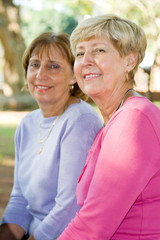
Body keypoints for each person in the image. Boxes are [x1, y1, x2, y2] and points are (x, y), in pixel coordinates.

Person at [58, 14, 160, 239]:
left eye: (99, 50)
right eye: (80, 53)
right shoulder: (117, 120)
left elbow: (92, 226)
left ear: (129, 61)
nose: (86, 61)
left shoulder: (134, 120)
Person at [0, 32, 103, 240]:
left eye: (53, 66)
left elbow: (69, 208)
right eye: (35, 64)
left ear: (74, 75)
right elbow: (20, 199)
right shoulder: (28, 124)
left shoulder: (80, 120)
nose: (40, 75)